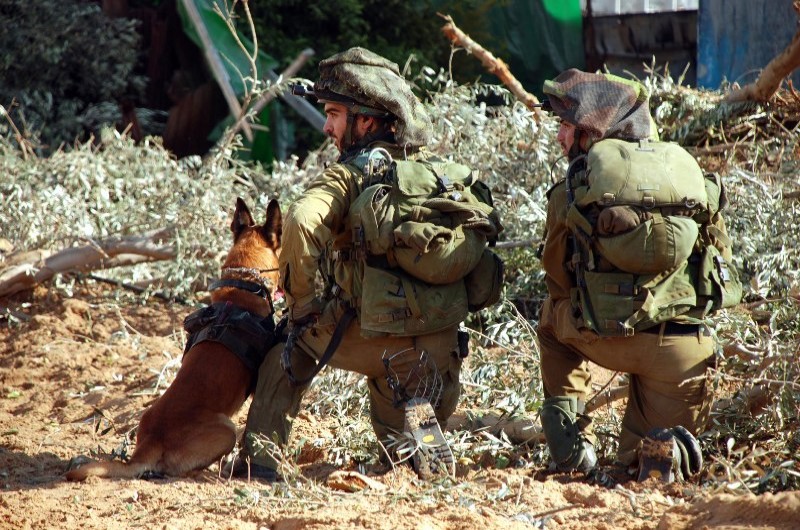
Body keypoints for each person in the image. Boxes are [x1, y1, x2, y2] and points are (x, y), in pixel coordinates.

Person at [232, 47, 498, 481]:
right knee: (401, 396)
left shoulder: (351, 174)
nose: (327, 125)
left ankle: (258, 468)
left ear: (366, 121)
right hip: (436, 346)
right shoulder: (432, 171)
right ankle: (421, 451)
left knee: (286, 352)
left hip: (369, 335)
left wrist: (303, 306)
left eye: (335, 114)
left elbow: (300, 221)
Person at [535, 69, 741, 483]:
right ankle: (656, 452)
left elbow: (557, 275)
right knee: (642, 460)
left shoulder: (574, 188)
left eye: (566, 126)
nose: (559, 136)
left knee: (551, 318)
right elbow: (721, 265)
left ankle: (571, 447)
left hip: (604, 337)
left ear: (591, 132)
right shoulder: (687, 175)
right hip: (683, 351)